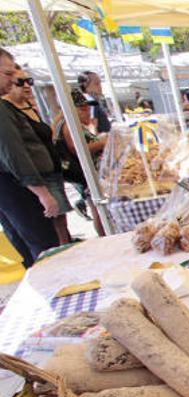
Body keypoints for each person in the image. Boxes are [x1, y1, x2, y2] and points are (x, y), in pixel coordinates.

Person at [0, 49, 60, 267]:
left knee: (28, 245)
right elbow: (14, 153)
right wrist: (43, 193)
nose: (13, 79)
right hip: (14, 190)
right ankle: (56, 292)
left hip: (9, 193)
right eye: (7, 74)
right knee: (44, 246)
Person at [3, 66, 73, 244]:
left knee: (61, 224)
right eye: (20, 81)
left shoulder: (29, 108)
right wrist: (41, 192)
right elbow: (15, 153)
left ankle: (65, 251)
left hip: (52, 173)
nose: (26, 85)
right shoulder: (7, 112)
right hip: (37, 180)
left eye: (29, 81)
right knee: (50, 231)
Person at [54, 89, 108, 237]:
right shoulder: (68, 125)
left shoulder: (67, 123)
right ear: (72, 109)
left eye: (87, 107)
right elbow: (77, 150)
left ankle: (104, 237)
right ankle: (104, 239)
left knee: (98, 209)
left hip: (85, 174)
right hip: (85, 175)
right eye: (83, 108)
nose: (88, 111)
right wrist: (103, 142)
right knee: (98, 210)